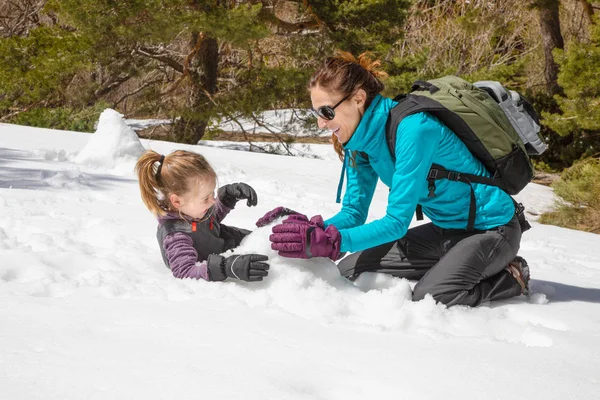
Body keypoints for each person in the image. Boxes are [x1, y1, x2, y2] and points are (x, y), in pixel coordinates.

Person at [267, 51, 530, 307]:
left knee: (433, 296)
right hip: (445, 231)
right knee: (348, 268)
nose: (321, 124)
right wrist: (313, 228)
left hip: (492, 229)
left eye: (326, 112)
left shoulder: (414, 128)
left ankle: (513, 276)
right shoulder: (359, 141)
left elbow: (395, 223)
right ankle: (454, 264)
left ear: (358, 98)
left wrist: (333, 242)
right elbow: (353, 212)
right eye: (316, 114)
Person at [135, 149, 270, 283]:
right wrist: (226, 268)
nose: (212, 201)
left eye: (213, 193)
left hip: (231, 240)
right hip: (228, 259)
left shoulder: (192, 211)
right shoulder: (176, 236)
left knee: (269, 237)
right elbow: (184, 271)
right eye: (206, 198)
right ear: (177, 201)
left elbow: (211, 219)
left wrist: (227, 197)